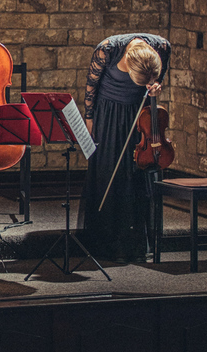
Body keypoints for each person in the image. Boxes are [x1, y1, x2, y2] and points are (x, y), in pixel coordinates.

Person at [79, 33, 171, 263]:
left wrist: (156, 86)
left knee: (134, 177)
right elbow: (91, 87)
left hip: (138, 115)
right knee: (109, 173)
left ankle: (134, 242)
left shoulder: (162, 46)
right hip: (108, 115)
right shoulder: (107, 50)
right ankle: (106, 241)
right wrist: (90, 120)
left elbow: (160, 75)